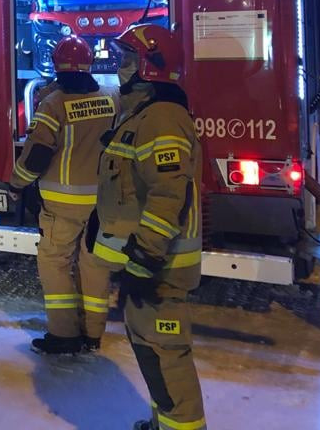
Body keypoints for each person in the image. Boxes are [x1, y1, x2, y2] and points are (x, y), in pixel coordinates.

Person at [89, 24, 206, 430]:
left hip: (162, 268)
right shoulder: (144, 114)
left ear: (150, 68)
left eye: (127, 61)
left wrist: (146, 255)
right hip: (151, 264)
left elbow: (167, 195)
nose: (119, 68)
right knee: (153, 351)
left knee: (166, 356)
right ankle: (163, 423)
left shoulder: (162, 119)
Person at [11, 35, 117, 355]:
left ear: (57, 66)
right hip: (101, 203)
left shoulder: (53, 104)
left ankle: (64, 335)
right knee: (95, 266)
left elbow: (37, 154)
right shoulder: (111, 99)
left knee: (55, 264)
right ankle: (93, 334)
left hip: (62, 203)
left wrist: (17, 183)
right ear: (89, 64)